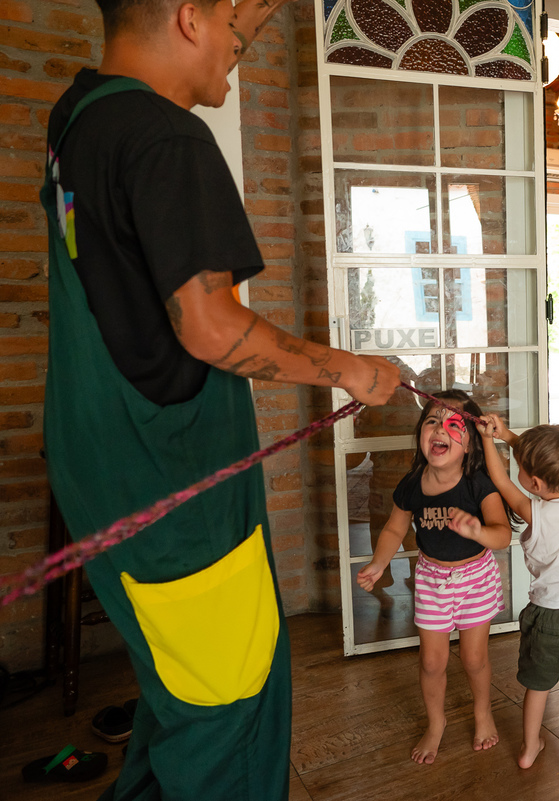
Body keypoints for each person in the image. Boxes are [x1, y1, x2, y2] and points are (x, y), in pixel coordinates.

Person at [40, 1, 405, 797]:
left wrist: (243, 19)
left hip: (102, 469)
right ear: (189, 18)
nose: (237, 62)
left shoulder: (76, 120)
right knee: (228, 713)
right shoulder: (166, 137)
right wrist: (351, 369)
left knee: (181, 693)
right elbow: (209, 326)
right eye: (237, 41)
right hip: (173, 481)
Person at [356, 391, 510, 764]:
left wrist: (478, 531)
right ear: (421, 434)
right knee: (431, 662)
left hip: (475, 579)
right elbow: (394, 529)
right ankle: (436, 722)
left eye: (453, 424)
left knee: (474, 659)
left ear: (470, 443)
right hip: (431, 580)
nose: (440, 429)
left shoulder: (477, 483)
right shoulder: (412, 484)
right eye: (432, 421)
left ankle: (482, 713)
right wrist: (378, 564)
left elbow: (503, 534)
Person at [477, 419, 559, 794]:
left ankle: (528, 749)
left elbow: (498, 478)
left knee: (537, 688)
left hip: (548, 618)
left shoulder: (533, 511)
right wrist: (510, 436)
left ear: (535, 483)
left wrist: (491, 439)